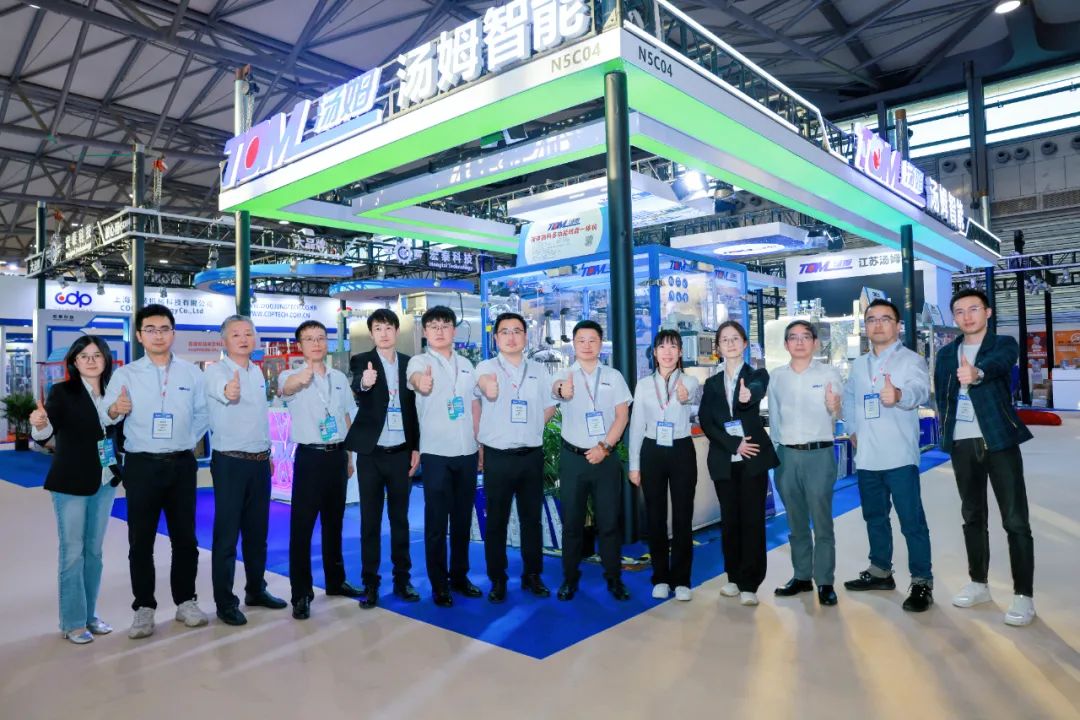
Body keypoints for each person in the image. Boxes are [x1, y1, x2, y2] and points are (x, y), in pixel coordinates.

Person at [102, 304, 210, 639]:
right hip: (142, 465)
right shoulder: (126, 375)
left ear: (173, 333)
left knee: (185, 538)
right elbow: (106, 414)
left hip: (181, 464)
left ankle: (186, 601)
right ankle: (144, 607)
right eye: (150, 329)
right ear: (139, 335)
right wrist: (115, 409)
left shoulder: (192, 373)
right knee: (141, 540)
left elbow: (203, 414)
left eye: (164, 329)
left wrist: (184, 440)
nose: (158, 335)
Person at [934, 288, 1035, 626]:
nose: (967, 316)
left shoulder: (1003, 344)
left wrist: (976, 373)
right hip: (962, 444)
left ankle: (1023, 596)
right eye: (959, 311)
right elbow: (943, 397)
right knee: (972, 516)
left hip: (999, 441)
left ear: (988, 312)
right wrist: (946, 434)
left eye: (974, 309)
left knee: (1015, 520)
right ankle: (979, 584)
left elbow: (999, 364)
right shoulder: (946, 354)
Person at [840, 299, 934, 612]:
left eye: (885, 319)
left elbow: (921, 390)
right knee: (874, 517)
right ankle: (880, 570)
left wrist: (900, 395)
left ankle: (922, 581)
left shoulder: (910, 360)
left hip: (899, 456)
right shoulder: (858, 364)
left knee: (912, 521)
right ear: (865, 326)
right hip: (867, 455)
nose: (878, 325)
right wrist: (852, 429)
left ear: (897, 325)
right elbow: (850, 398)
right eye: (871, 319)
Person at [30, 336, 122, 644]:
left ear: (106, 359)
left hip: (105, 480)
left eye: (97, 355)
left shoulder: (114, 392)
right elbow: (46, 433)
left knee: (94, 552)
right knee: (72, 552)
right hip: (70, 481)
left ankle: (89, 615)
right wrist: (39, 423)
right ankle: (72, 621)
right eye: (84, 356)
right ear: (74, 362)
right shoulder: (63, 392)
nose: (91, 361)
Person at [203, 315, 287, 626]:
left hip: (259, 461)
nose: (243, 339)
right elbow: (224, 391)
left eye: (248, 333)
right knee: (226, 535)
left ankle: (256, 589)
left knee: (257, 532)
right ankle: (225, 602)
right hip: (230, 463)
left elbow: (258, 418)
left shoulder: (256, 371)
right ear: (224, 341)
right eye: (236, 334)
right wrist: (229, 391)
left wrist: (268, 453)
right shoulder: (216, 372)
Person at [279, 320, 361, 620]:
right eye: (309, 339)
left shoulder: (338, 377)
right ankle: (301, 593)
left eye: (321, 338)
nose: (316, 343)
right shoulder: (291, 375)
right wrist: (301, 379)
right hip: (310, 458)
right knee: (302, 528)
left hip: (337, 456)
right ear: (299, 345)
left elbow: (345, 416)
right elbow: (286, 389)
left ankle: (336, 580)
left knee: (334, 523)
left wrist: (349, 457)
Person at [474, 312, 558, 603]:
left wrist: (530, 427)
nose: (511, 337)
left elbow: (550, 407)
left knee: (531, 520)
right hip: (498, 457)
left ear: (525, 337)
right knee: (496, 521)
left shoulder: (538, 370)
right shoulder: (485, 367)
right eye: (505, 332)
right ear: (496, 338)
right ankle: (498, 579)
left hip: (531, 456)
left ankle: (532, 575)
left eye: (517, 331)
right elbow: (479, 392)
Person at [344, 309, 421, 609]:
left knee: (400, 520)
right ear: (372, 333)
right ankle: (371, 583)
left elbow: (414, 410)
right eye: (378, 328)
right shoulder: (361, 361)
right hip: (371, 454)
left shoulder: (410, 363)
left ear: (397, 331)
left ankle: (403, 580)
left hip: (401, 453)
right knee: (370, 521)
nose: (384, 333)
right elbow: (357, 388)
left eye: (389, 328)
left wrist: (416, 448)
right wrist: (365, 383)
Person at [698, 321, 778, 607]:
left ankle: (750, 582)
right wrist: (734, 444)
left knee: (752, 520)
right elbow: (707, 421)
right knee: (730, 521)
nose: (730, 343)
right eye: (724, 339)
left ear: (745, 343)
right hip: (725, 459)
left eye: (735, 338)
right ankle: (733, 576)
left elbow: (757, 388)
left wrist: (748, 394)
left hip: (752, 458)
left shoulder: (757, 374)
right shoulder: (711, 384)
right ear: (718, 347)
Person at [551, 320, 632, 602]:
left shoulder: (613, 376)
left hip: (605, 457)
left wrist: (605, 446)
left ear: (601, 344)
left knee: (609, 523)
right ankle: (569, 579)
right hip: (572, 459)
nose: (587, 345)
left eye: (592, 340)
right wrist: (562, 390)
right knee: (572, 524)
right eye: (581, 340)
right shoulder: (563, 375)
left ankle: (614, 579)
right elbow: (555, 391)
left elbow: (622, 416)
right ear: (573, 344)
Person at [406, 306, 481, 608]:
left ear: (454, 330)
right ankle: (439, 584)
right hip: (436, 453)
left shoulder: (467, 364)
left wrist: (479, 442)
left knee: (463, 520)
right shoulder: (419, 362)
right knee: (437, 522)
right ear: (425, 332)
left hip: (467, 452)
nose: (439, 331)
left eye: (445, 325)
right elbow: (414, 379)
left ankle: (459, 577)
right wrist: (420, 382)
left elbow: (474, 405)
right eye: (433, 326)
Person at [767, 319, 844, 607]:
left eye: (805, 337)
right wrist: (777, 452)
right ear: (786, 344)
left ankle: (824, 581)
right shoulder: (777, 377)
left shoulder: (828, 373)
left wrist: (834, 405)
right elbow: (774, 418)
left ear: (815, 343)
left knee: (822, 521)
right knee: (795, 521)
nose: (799, 342)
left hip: (819, 455)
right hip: (786, 456)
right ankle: (801, 576)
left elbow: (838, 409)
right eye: (793, 337)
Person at [627, 330, 700, 602]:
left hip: (681, 449)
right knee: (655, 517)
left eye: (673, 347)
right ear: (654, 353)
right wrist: (634, 465)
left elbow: (689, 397)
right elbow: (636, 426)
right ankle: (659, 577)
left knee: (683, 516)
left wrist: (684, 396)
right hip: (652, 450)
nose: (667, 352)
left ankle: (681, 579)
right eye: (662, 347)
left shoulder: (689, 381)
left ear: (680, 352)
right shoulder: (644, 385)